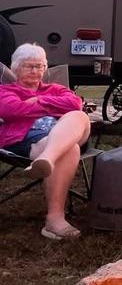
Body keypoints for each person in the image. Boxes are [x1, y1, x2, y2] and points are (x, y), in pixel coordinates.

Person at [0, 43, 91, 240]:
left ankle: (48, 159)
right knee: (70, 150)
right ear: (16, 68)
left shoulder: (55, 88)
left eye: (39, 66)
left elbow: (75, 103)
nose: (35, 71)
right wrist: (55, 107)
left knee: (78, 115)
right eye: (28, 66)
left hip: (68, 134)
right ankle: (54, 220)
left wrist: (39, 101)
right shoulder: (5, 90)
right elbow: (11, 110)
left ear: (45, 68)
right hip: (28, 138)